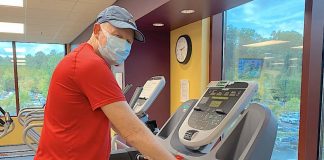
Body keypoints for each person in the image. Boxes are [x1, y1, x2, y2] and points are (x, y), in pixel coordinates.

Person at [34, 5, 175, 160]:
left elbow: (118, 124)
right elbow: (133, 133)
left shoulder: (81, 59)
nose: (124, 45)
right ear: (96, 30)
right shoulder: (90, 64)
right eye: (118, 36)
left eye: (128, 41)